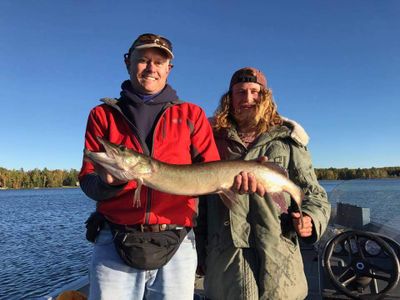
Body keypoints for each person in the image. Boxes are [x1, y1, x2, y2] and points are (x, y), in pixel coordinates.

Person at [79, 34, 261, 300]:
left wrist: (240, 181)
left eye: (158, 62)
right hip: (115, 240)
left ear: (168, 69)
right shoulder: (102, 115)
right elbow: (88, 181)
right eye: (143, 60)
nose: (151, 68)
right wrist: (109, 183)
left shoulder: (192, 114)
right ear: (128, 62)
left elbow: (212, 170)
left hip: (177, 242)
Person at [195, 67, 331, 300]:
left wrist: (310, 220)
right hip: (226, 267)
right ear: (229, 98)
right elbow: (199, 204)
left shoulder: (287, 140)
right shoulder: (209, 138)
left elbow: (314, 194)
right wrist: (199, 252)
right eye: (240, 92)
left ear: (265, 96)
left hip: (281, 268)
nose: (247, 99)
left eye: (254, 92)